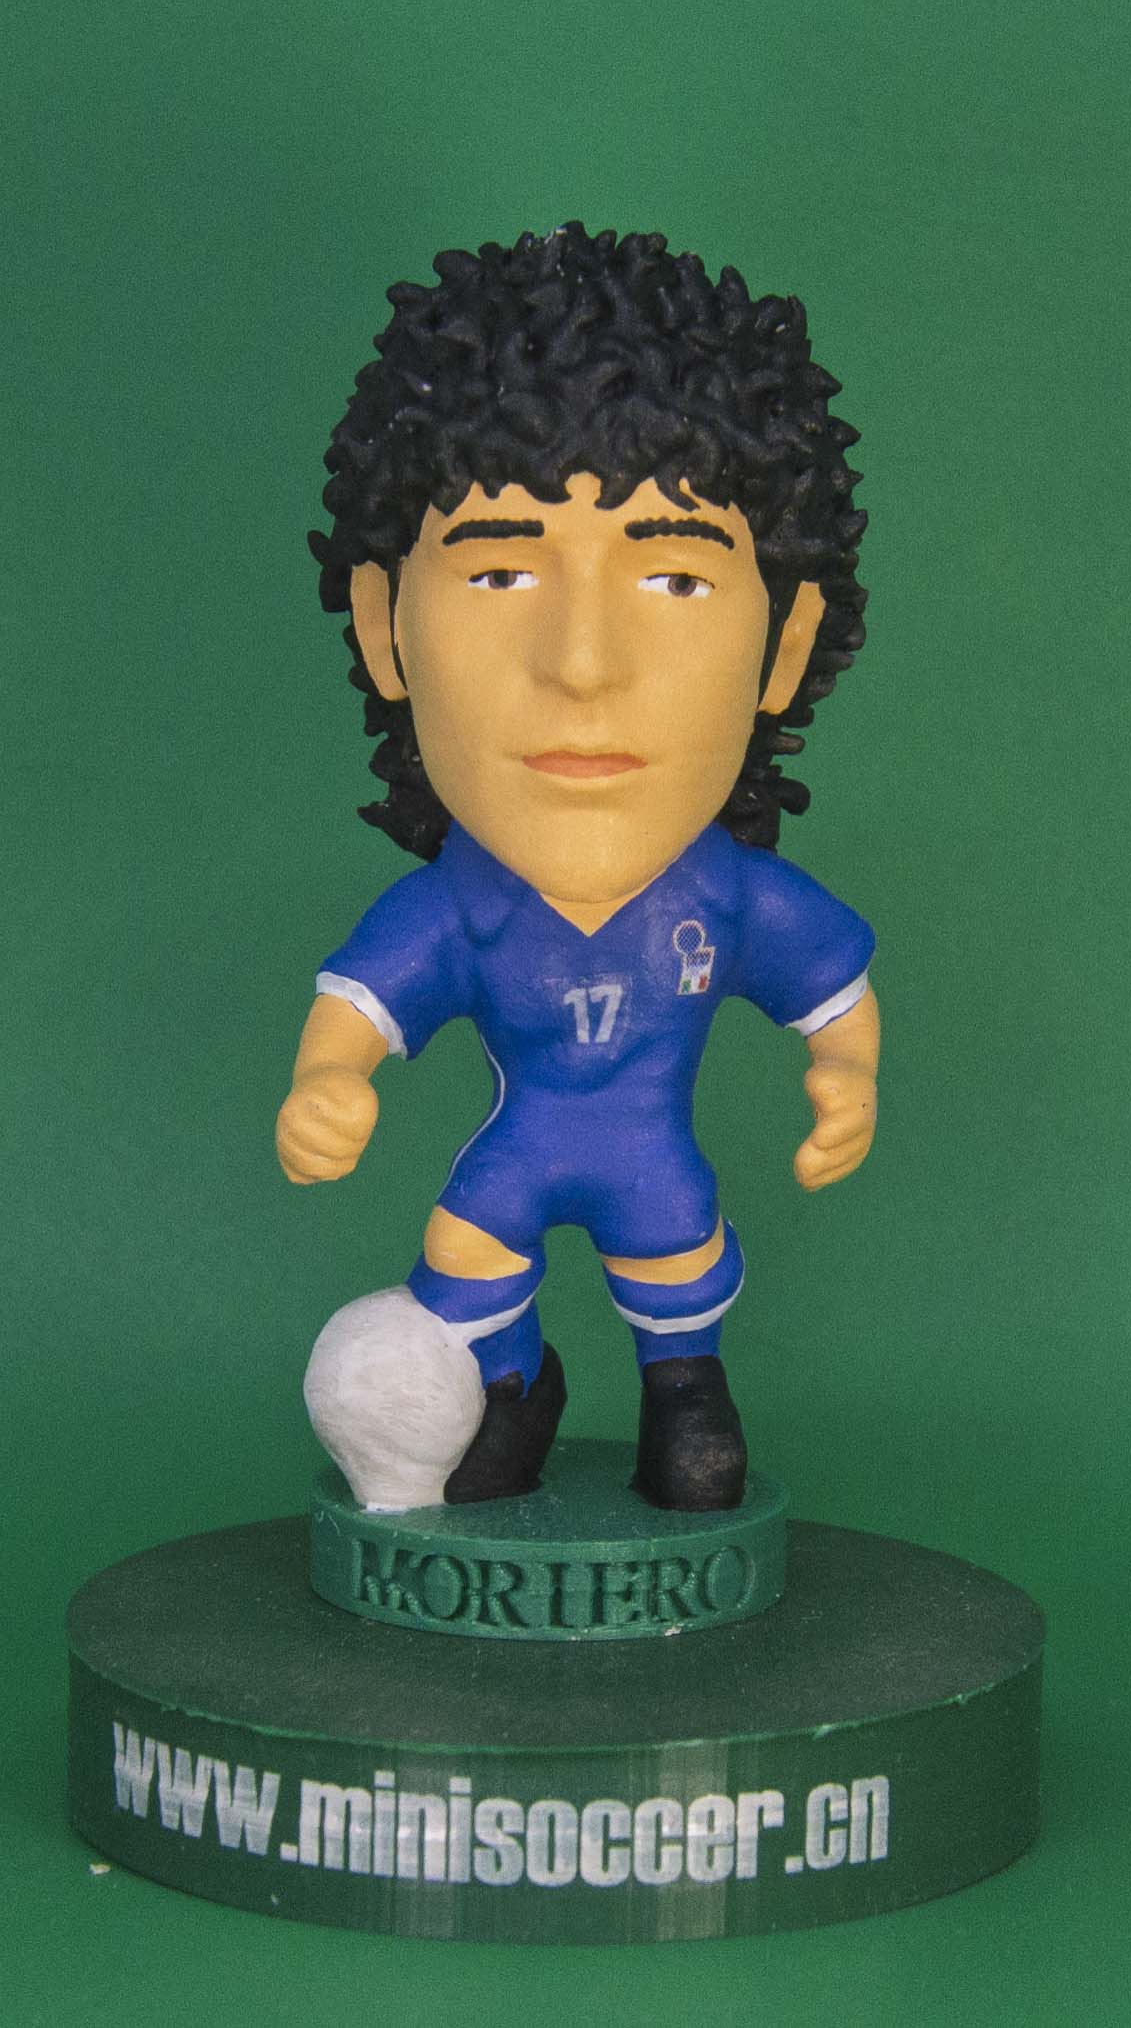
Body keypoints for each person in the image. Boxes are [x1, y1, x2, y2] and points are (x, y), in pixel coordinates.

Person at [278, 225, 878, 1512]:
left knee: (677, 1285)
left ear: (786, 646)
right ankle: (512, 1388)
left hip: (655, 1163)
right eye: (500, 570)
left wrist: (849, 1071)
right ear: (384, 627)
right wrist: (328, 1080)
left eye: (675, 578)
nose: (584, 664)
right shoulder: (460, 906)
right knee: (464, 1253)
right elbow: (359, 1009)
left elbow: (831, 989)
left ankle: (686, 1391)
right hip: (515, 1154)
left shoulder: (725, 895)